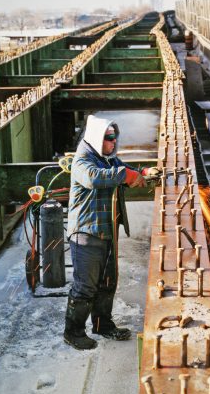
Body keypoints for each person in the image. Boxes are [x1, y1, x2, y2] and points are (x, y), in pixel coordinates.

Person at [64, 115, 158, 350]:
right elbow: (93, 178)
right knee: (85, 285)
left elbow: (123, 170)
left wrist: (144, 173)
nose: (113, 142)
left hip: (107, 231)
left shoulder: (107, 158)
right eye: (109, 138)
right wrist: (125, 175)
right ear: (97, 138)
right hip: (86, 233)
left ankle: (102, 324)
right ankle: (73, 332)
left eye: (115, 137)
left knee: (107, 281)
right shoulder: (83, 159)